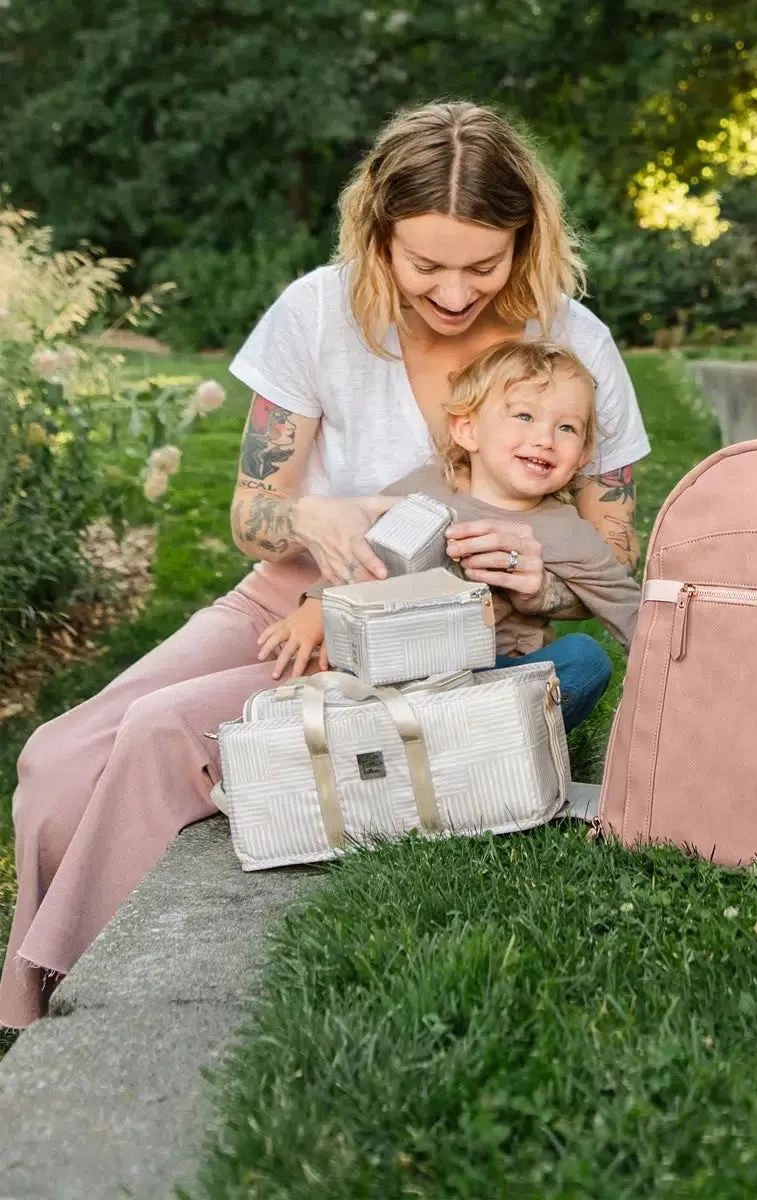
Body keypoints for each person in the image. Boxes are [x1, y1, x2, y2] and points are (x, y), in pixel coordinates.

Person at [0, 100, 650, 1029]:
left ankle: (90, 1004)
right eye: (425, 264)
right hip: (292, 591)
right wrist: (307, 509)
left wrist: (532, 580)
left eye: (483, 264)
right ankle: (31, 1000)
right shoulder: (318, 312)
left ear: (526, 237)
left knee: (163, 731)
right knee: (53, 759)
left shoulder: (574, 344)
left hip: (426, 637)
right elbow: (250, 516)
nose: (457, 293)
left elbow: (613, 546)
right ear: (376, 231)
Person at [260, 339, 640, 729]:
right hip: (408, 669)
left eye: (566, 427)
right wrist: (315, 609)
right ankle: (406, 738)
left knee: (586, 657)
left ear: (580, 455)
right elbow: (363, 550)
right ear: (468, 429)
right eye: (525, 416)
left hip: (498, 676)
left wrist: (671, 669)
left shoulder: (566, 530)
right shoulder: (424, 490)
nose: (546, 438)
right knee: (345, 677)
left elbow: (626, 606)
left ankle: (497, 735)